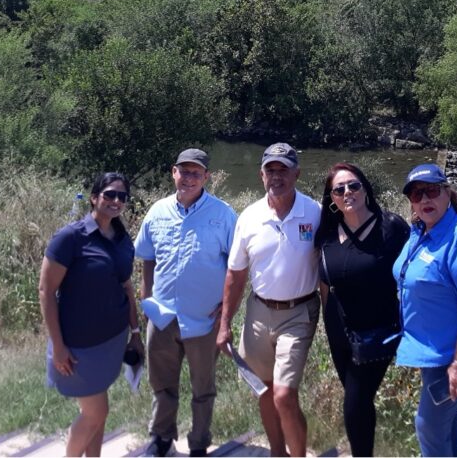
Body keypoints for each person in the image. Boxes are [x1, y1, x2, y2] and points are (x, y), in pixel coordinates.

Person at [217, 142, 322, 458]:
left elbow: (334, 264)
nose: (277, 176)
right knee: (264, 391)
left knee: (284, 396)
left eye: (283, 169)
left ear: (297, 173)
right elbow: (235, 276)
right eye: (270, 170)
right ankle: (278, 452)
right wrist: (224, 324)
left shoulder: (315, 213)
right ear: (261, 175)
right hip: (259, 312)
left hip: (299, 312)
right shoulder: (249, 217)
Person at [135, 149, 237, 457]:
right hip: (162, 318)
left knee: (202, 390)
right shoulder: (157, 211)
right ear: (173, 173)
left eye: (196, 173)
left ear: (207, 177)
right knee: (162, 384)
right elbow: (147, 258)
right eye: (184, 171)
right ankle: (162, 437)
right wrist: (147, 299)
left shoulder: (224, 215)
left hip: (204, 320)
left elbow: (237, 266)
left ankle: (199, 444)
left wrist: (226, 310)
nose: (189, 178)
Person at [392, 164, 457, 457]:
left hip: (453, 353)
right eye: (416, 194)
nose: (424, 200)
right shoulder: (423, 231)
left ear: (448, 193)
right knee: (446, 424)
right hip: (432, 349)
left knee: (429, 425)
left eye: (432, 191)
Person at [39, 172, 141, 457]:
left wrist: (135, 333)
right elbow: (46, 292)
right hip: (78, 346)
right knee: (96, 413)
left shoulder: (122, 238)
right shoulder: (71, 238)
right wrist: (58, 346)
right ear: (94, 197)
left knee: (98, 413)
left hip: (112, 341)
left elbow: (126, 286)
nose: (116, 200)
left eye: (122, 196)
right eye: (109, 194)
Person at [315, 163, 409, 457]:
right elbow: (325, 284)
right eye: (339, 189)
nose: (347, 192)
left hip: (376, 328)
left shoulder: (391, 228)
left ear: (366, 188)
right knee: (358, 399)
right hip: (338, 330)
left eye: (353, 185)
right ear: (331, 199)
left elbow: (414, 275)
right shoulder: (328, 234)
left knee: (354, 401)